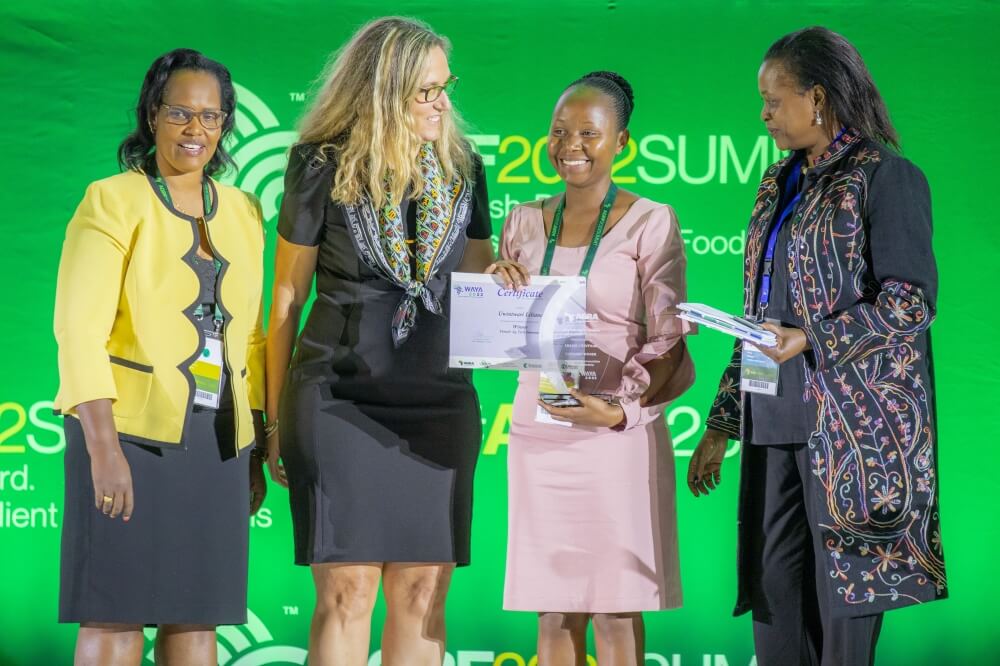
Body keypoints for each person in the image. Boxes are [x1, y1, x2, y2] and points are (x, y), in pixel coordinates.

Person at [687, 27, 947, 666]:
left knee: (844, 610)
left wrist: (811, 337)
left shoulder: (885, 177)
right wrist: (723, 423)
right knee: (775, 598)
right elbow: (761, 314)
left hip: (855, 435)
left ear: (818, 98)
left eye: (774, 100)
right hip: (774, 419)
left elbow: (910, 302)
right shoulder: (776, 183)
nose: (764, 114)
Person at [264, 17, 494, 665]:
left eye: (445, 87)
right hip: (337, 400)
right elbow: (286, 299)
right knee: (348, 591)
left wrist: (516, 285)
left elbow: (479, 279)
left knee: (422, 592)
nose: (442, 103)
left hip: (439, 403)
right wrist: (273, 418)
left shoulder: (464, 168)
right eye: (427, 91)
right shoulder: (319, 164)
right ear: (384, 91)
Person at [54, 48, 268, 666]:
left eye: (210, 116)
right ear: (152, 115)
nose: (195, 129)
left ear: (225, 124)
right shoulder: (112, 200)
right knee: (113, 616)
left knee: (197, 621)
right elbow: (78, 330)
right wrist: (103, 452)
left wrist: (255, 443)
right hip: (128, 435)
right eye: (180, 113)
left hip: (218, 441)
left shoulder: (245, 210)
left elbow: (253, 341)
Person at [490, 71, 695, 666]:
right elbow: (504, 330)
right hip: (539, 428)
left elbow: (670, 337)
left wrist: (618, 411)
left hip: (615, 433)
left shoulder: (651, 220)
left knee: (615, 609)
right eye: (559, 132)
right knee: (553, 609)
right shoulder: (522, 220)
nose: (570, 145)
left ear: (621, 142)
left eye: (588, 133)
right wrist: (495, 287)